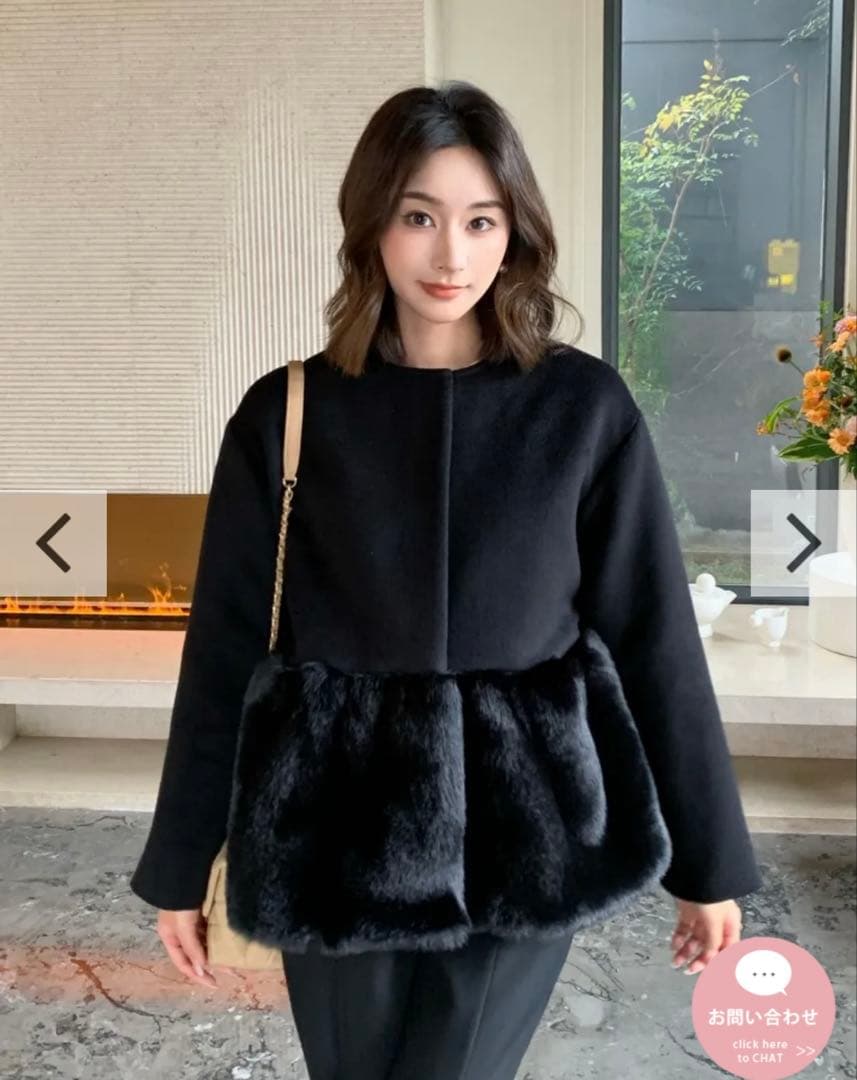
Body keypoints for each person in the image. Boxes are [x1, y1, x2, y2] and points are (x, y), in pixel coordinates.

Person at [130, 80, 763, 1078]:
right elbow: (223, 648)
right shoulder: (285, 412)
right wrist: (179, 863)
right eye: (418, 216)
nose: (450, 255)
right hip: (330, 829)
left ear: (515, 232)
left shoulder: (581, 408)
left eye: (480, 220)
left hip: (530, 825)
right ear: (371, 226)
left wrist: (707, 859)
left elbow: (653, 638)